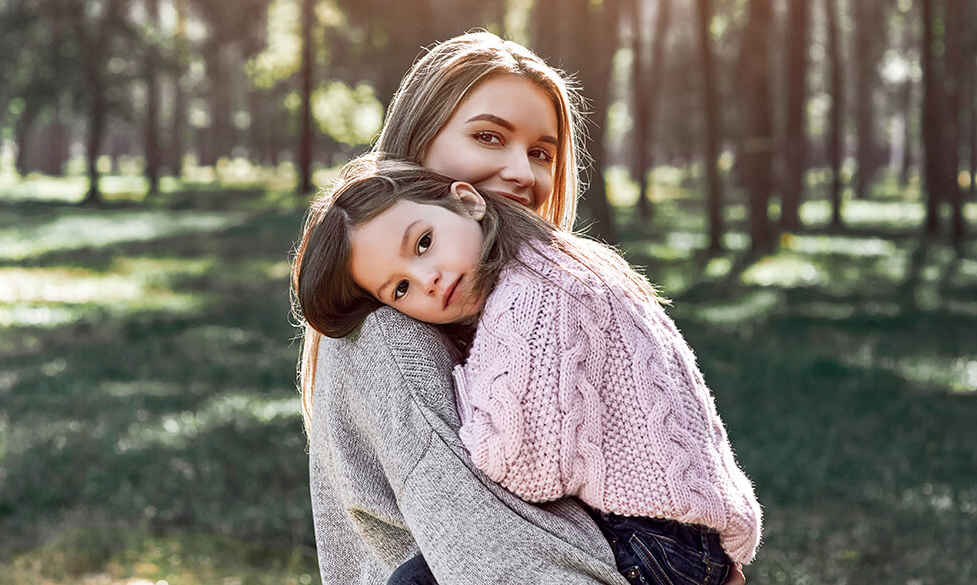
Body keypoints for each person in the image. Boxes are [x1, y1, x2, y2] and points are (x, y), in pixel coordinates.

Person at [294, 158, 762, 585]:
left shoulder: (529, 299)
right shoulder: (552, 262)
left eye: (423, 242)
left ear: (466, 201)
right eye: (399, 288)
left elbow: (520, 468)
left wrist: (464, 386)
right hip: (686, 536)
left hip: (653, 539)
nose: (428, 279)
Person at [296, 31, 637, 585]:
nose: (524, 173)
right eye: (488, 136)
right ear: (418, 144)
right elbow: (494, 554)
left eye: (541, 153)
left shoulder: (527, 311)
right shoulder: (389, 335)